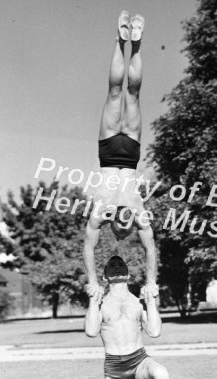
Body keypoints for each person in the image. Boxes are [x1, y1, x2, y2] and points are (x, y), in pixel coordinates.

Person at [83, 11, 157, 303]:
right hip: (130, 154)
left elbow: (88, 247)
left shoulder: (100, 214)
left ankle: (120, 39)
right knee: (132, 93)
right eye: (129, 228)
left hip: (109, 149)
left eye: (121, 228)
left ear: (114, 226)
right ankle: (135, 45)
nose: (125, 225)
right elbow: (150, 248)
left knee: (116, 92)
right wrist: (151, 282)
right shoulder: (139, 213)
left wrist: (92, 280)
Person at [84, 256, 170, 379]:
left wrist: (151, 301)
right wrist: (92, 300)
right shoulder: (100, 302)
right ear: (105, 277)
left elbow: (154, 331)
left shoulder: (139, 301)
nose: (116, 267)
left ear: (128, 274)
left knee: (162, 376)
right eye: (112, 266)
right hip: (114, 368)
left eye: (120, 265)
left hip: (139, 361)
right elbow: (91, 331)